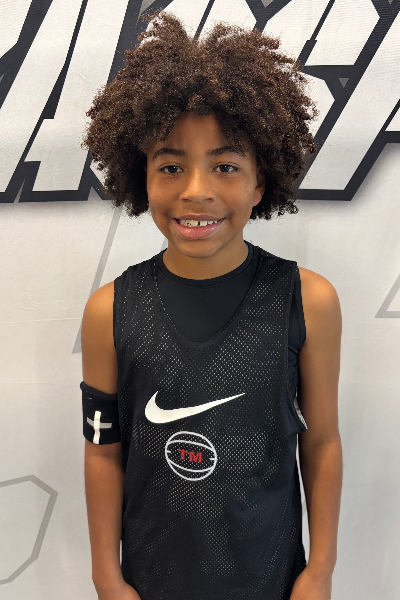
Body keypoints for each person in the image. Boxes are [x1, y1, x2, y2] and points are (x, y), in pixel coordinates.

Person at [80, 10, 343, 600]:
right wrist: (106, 577)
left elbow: (322, 442)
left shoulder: (307, 300)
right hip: (151, 582)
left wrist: (320, 570)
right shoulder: (109, 311)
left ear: (260, 182)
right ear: (142, 177)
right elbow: (103, 454)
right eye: (171, 166)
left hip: (271, 580)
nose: (196, 190)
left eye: (225, 166)